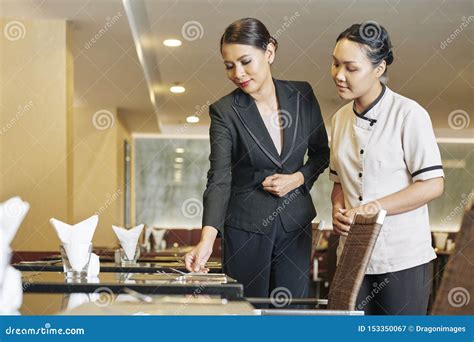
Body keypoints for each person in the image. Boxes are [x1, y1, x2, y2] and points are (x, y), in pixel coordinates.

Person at [184, 18, 329, 302]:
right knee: (246, 312)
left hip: (295, 225)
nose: (238, 73)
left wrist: (297, 178)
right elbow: (220, 178)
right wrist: (207, 238)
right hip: (245, 229)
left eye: (245, 61)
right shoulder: (225, 111)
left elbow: (321, 153)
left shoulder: (302, 95)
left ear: (270, 52)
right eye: (229, 65)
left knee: (290, 315)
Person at [329, 22, 444, 315]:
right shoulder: (340, 119)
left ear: (378, 69)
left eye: (350, 68)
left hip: (402, 257)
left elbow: (432, 185)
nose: (339, 75)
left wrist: (371, 209)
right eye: (335, 64)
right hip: (352, 256)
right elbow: (339, 181)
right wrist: (338, 209)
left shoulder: (409, 114)